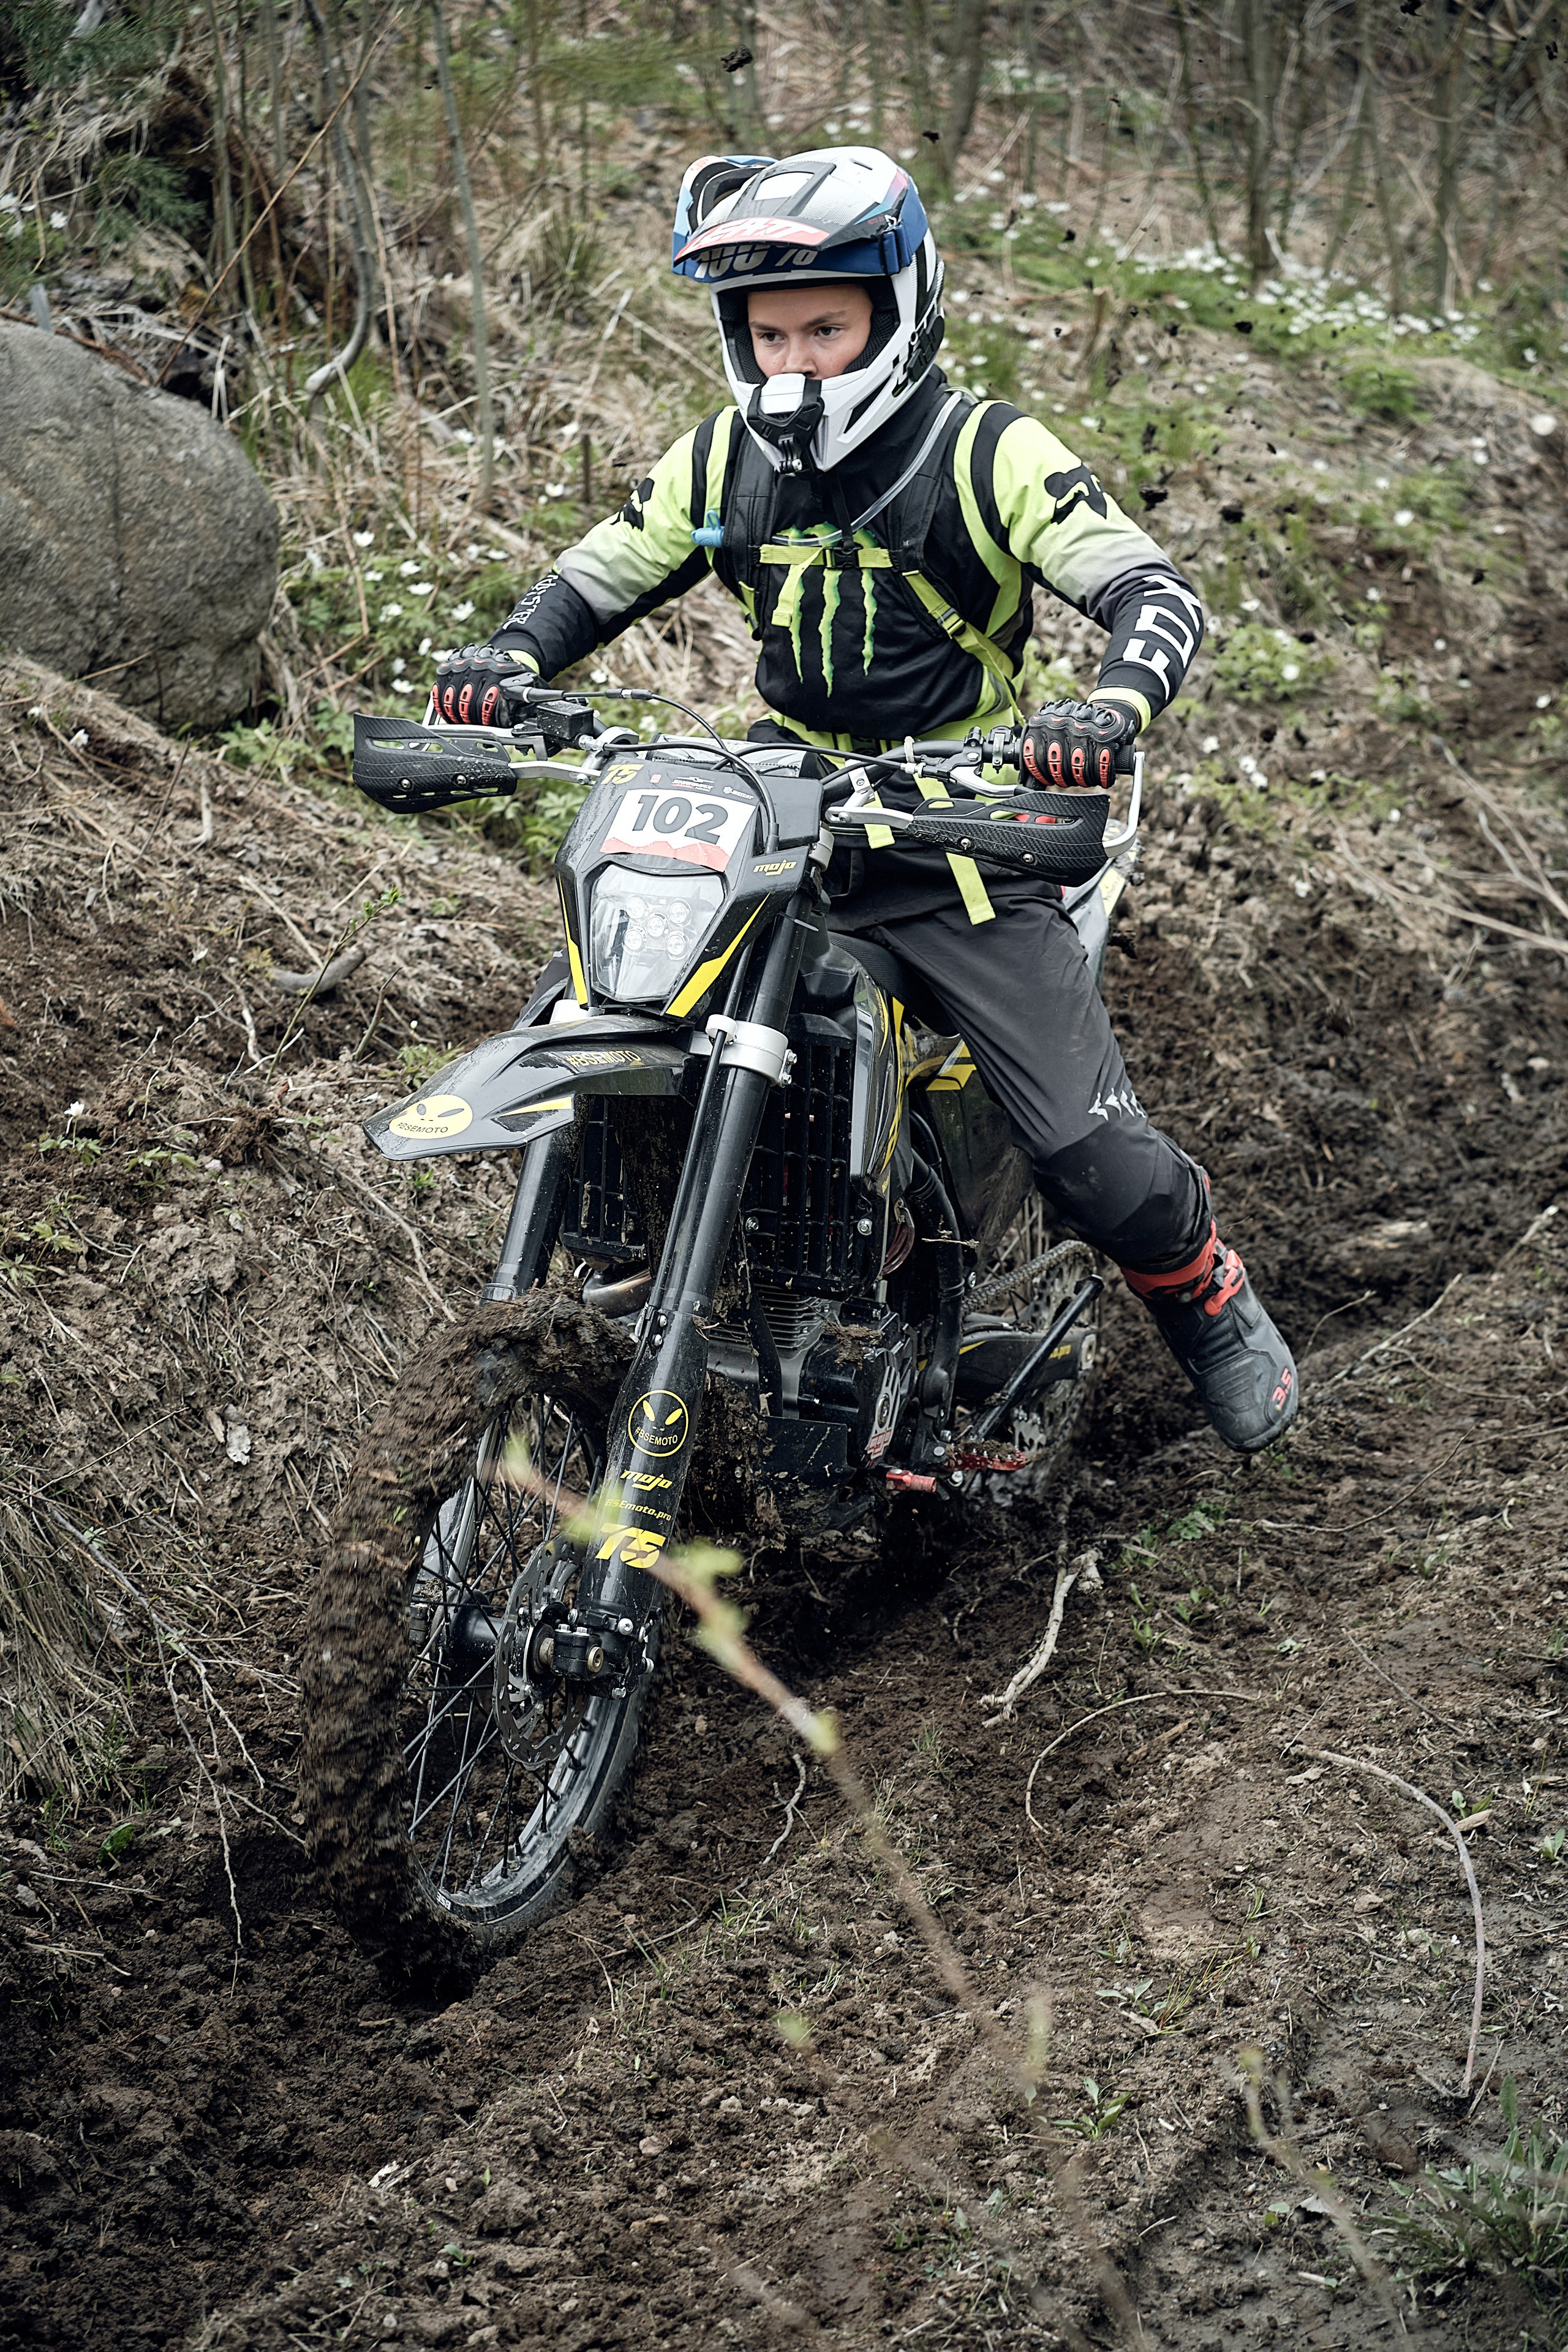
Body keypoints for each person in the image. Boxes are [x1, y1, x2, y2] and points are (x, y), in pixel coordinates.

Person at [434, 147, 1297, 1454]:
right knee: (611, 1010)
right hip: (782, 821)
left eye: (825, 329)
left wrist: (1105, 710)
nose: (794, 365)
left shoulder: (984, 449)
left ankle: (1205, 1297)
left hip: (959, 834)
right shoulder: (724, 456)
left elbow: (1148, 589)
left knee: (1084, 1150)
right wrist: (505, 659)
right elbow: (599, 574)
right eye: (767, 333)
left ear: (900, 308)